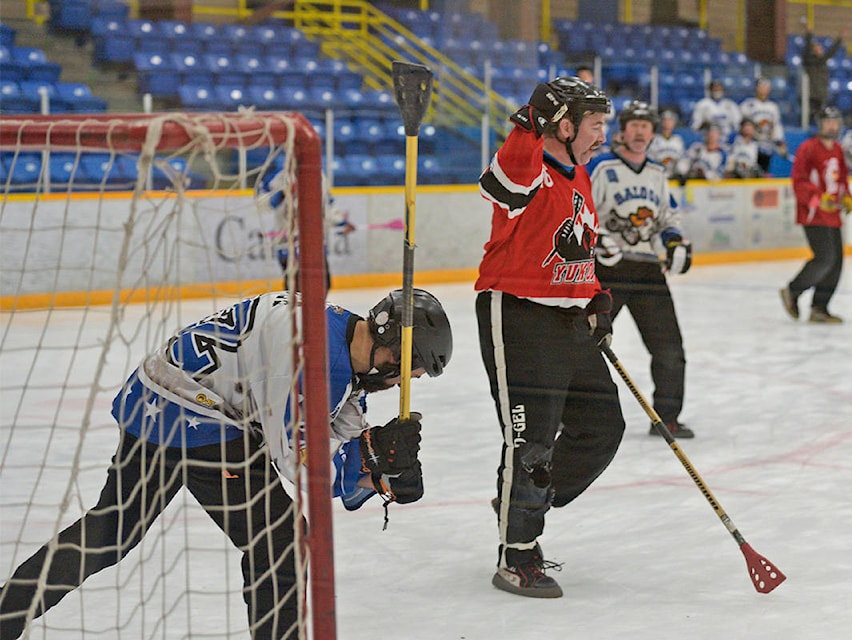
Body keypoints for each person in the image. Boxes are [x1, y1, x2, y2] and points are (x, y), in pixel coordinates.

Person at [0, 288, 453, 639]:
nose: (405, 383)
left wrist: (371, 458)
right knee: (279, 544)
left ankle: (4, 615)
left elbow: (333, 425)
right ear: (393, 349)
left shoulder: (336, 330)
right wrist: (367, 463)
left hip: (153, 395)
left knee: (111, 531)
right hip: (200, 418)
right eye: (411, 371)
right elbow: (301, 465)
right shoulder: (310, 362)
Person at [475, 77, 626, 599]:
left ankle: (521, 498)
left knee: (603, 425)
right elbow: (501, 187)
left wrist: (597, 297)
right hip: (517, 316)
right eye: (594, 124)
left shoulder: (578, 175)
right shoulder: (529, 165)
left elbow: (576, 250)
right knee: (530, 444)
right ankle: (517, 556)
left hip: (565, 320)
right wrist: (526, 125)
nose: (603, 135)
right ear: (562, 125)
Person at [586, 100, 695, 439]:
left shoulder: (657, 173)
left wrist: (675, 241)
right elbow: (580, 208)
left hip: (648, 270)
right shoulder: (601, 167)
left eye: (645, 126)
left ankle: (667, 416)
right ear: (622, 131)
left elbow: (667, 219)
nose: (639, 131)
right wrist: (598, 238)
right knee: (584, 344)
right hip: (608, 270)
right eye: (633, 125)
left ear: (653, 133)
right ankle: (569, 414)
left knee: (670, 349)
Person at [780, 106, 852, 324]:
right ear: (819, 124)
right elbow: (799, 180)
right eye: (827, 122)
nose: (832, 126)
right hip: (814, 213)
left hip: (832, 214)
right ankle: (793, 291)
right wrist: (816, 198)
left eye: (835, 121)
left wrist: (847, 197)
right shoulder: (808, 149)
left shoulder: (838, 150)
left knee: (836, 262)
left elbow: (842, 180)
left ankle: (819, 307)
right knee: (825, 258)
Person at [739, 76, 789, 173]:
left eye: (766, 87)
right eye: (761, 86)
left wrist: (780, 142)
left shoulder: (773, 107)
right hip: (751, 143)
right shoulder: (747, 105)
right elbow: (741, 125)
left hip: (766, 144)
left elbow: (776, 126)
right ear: (756, 88)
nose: (763, 89)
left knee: (762, 171)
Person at [801, 25, 846, 117]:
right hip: (811, 95)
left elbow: (830, 52)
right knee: (809, 115)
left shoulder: (822, 62)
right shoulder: (810, 61)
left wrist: (840, 38)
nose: (820, 50)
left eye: (821, 48)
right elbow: (808, 49)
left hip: (821, 94)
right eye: (817, 48)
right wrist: (809, 34)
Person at [646, 109, 686, 179]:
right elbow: (650, 160)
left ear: (674, 123)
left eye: (670, 120)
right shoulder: (654, 139)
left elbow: (682, 159)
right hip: (658, 175)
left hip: (675, 176)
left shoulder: (678, 140)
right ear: (661, 122)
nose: (667, 123)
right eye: (665, 120)